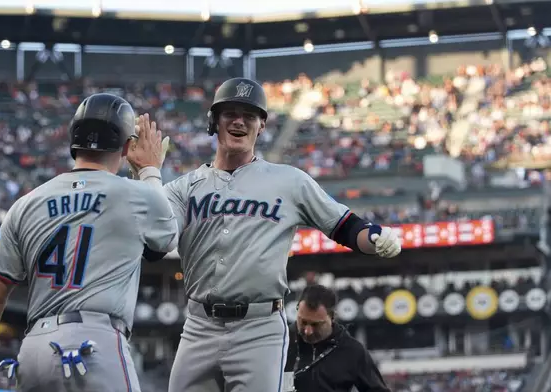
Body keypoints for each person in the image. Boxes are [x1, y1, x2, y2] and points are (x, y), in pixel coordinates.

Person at [129, 77, 402, 392]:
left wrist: (376, 238)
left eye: (250, 115)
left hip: (259, 329)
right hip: (199, 326)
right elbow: (155, 247)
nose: (240, 121)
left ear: (261, 126)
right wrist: (145, 180)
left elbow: (345, 227)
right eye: (230, 113)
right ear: (213, 122)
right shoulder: (183, 188)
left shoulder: (289, 181)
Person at [0, 93, 178, 392]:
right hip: (96, 343)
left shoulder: (27, 203)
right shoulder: (135, 194)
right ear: (127, 146)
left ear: (72, 140)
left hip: (34, 349)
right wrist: (150, 170)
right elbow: (164, 240)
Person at [286, 284, 390, 392]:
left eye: (316, 325)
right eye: (302, 322)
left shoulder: (352, 351)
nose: (308, 331)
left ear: (332, 317)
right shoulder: (281, 343)